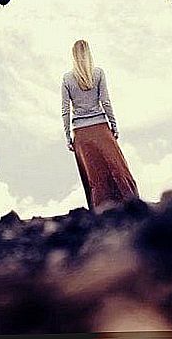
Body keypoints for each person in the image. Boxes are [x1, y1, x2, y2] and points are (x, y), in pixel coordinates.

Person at [61, 39, 139, 213]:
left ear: (73, 56)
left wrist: (68, 137)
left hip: (81, 135)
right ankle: (133, 208)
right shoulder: (98, 73)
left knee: (94, 177)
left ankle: (102, 213)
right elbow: (106, 101)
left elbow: (65, 110)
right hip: (101, 129)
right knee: (118, 169)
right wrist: (114, 125)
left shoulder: (67, 78)